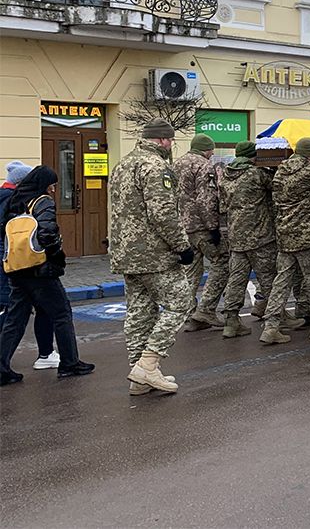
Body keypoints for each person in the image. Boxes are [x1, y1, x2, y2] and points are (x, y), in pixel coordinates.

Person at [109, 118, 194, 394]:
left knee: (139, 311)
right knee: (181, 302)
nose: (170, 145)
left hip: (126, 252)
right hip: (154, 254)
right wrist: (182, 246)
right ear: (163, 140)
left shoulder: (122, 165)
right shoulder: (156, 167)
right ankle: (148, 364)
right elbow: (163, 213)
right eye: (170, 140)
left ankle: (139, 377)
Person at [0, 166, 93, 385]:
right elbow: (48, 232)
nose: (53, 190)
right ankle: (70, 363)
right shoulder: (42, 202)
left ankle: (2, 367)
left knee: (16, 318)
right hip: (39, 269)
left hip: (17, 267)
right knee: (61, 313)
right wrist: (57, 256)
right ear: (44, 184)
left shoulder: (15, 200)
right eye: (52, 185)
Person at [260, 137, 310, 345]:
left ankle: (271, 325)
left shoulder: (281, 171)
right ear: (309, 153)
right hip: (306, 234)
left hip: (285, 233)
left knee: (282, 281)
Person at [217, 141, 279, 339]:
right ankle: (278, 318)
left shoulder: (225, 175)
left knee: (236, 279)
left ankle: (231, 321)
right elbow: (278, 186)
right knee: (268, 278)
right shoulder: (256, 174)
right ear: (254, 156)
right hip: (259, 235)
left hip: (236, 235)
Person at [0, 161, 57, 371]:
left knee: (15, 312)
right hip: (20, 261)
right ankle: (49, 354)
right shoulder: (18, 200)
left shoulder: (7, 197)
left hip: (10, 261)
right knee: (17, 312)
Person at [173, 134, 230, 332]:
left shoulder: (176, 164)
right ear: (206, 149)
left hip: (182, 226)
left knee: (191, 271)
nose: (213, 153)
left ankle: (190, 314)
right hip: (201, 227)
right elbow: (205, 200)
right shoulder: (204, 166)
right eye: (212, 150)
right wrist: (213, 227)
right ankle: (206, 309)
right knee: (222, 263)